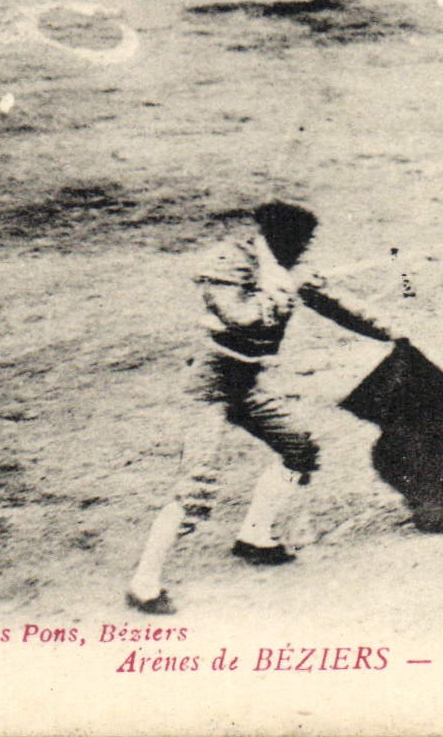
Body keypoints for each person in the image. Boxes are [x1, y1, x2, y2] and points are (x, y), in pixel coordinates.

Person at [127, 203, 327, 614]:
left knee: (300, 448)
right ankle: (143, 583)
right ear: (278, 237)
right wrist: (275, 294)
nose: (304, 249)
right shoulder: (229, 262)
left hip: (248, 383)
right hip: (210, 385)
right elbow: (238, 316)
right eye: (299, 241)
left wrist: (392, 333)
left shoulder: (286, 270)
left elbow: (338, 305)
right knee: (196, 484)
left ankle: (255, 536)